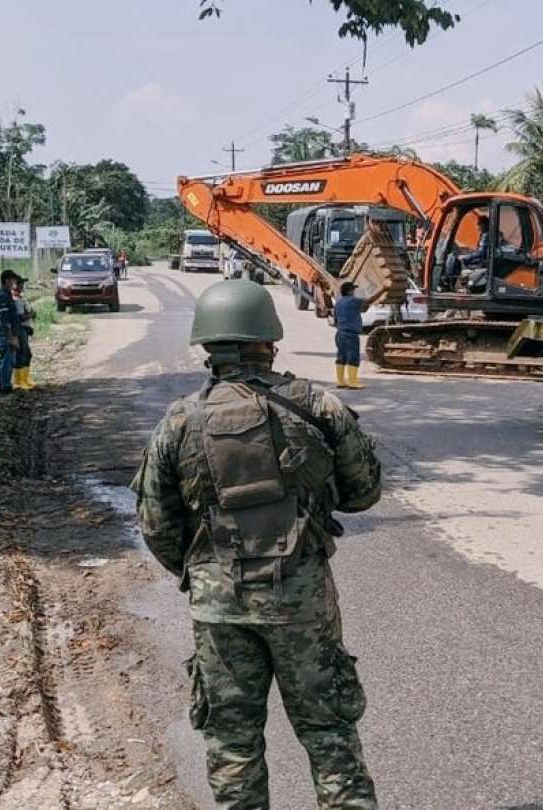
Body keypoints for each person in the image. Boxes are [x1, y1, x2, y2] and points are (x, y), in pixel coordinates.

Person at [132, 279, 382, 809]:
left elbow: (156, 524)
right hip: (301, 603)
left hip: (219, 607)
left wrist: (205, 571)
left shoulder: (178, 422)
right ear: (270, 339)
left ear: (207, 347)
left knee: (232, 740)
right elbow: (363, 493)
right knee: (328, 731)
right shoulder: (318, 405)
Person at [333, 281, 379, 390]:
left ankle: (340, 381)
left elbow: (335, 320)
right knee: (353, 357)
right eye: (353, 289)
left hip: (340, 333)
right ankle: (352, 382)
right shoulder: (353, 301)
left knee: (341, 357)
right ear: (350, 291)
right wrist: (383, 290)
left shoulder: (339, 303)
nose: (354, 291)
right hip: (350, 334)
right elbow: (368, 301)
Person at [0, 269, 23, 395]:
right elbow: (5, 321)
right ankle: (4, 386)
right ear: (7, 280)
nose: (14, 283)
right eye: (13, 280)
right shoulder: (3, 296)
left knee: (8, 359)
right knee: (6, 359)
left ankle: (5, 384)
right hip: (5, 334)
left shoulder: (7, 294)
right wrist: (12, 338)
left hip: (8, 332)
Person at [12, 280, 36, 390]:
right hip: (20, 329)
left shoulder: (20, 298)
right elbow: (20, 317)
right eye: (20, 283)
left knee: (27, 354)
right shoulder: (16, 300)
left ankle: (25, 378)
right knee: (22, 354)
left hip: (25, 329)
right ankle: (19, 381)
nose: (22, 286)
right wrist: (31, 314)